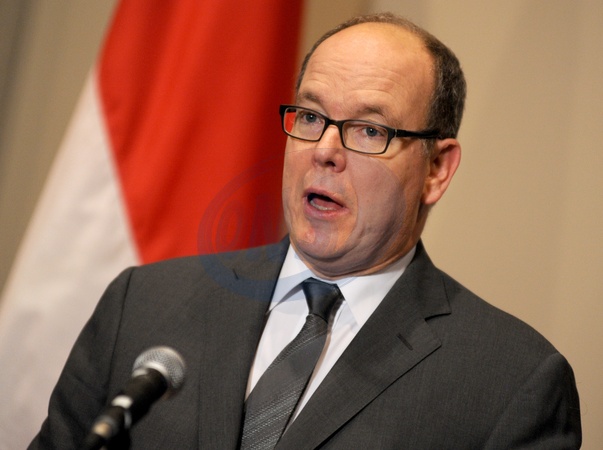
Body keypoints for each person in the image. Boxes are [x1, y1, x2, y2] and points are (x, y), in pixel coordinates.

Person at [29, 12, 581, 449]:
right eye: (311, 117)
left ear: (436, 168)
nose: (324, 151)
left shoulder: (511, 382)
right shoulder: (144, 304)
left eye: (369, 129)